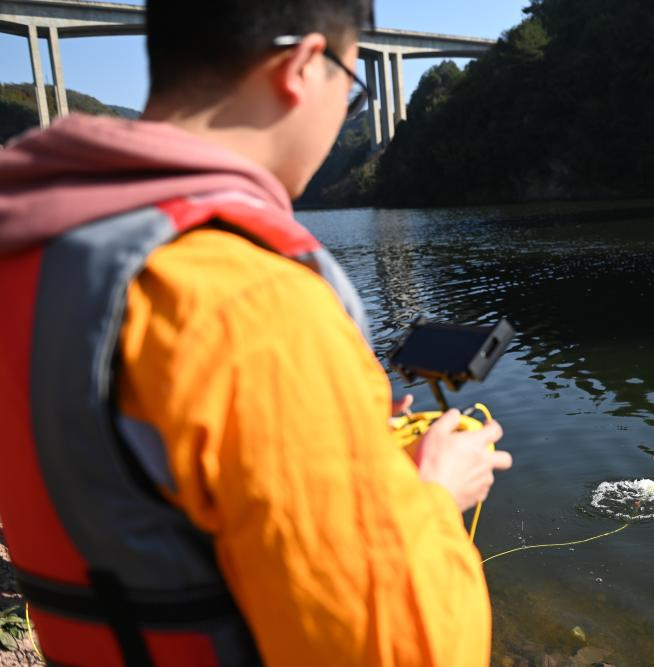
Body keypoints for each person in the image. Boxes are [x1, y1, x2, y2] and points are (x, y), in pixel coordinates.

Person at [0, 0, 512, 664]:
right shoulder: (251, 298)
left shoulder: (32, 253)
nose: (343, 121)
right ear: (301, 66)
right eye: (353, 96)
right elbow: (391, 647)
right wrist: (436, 495)